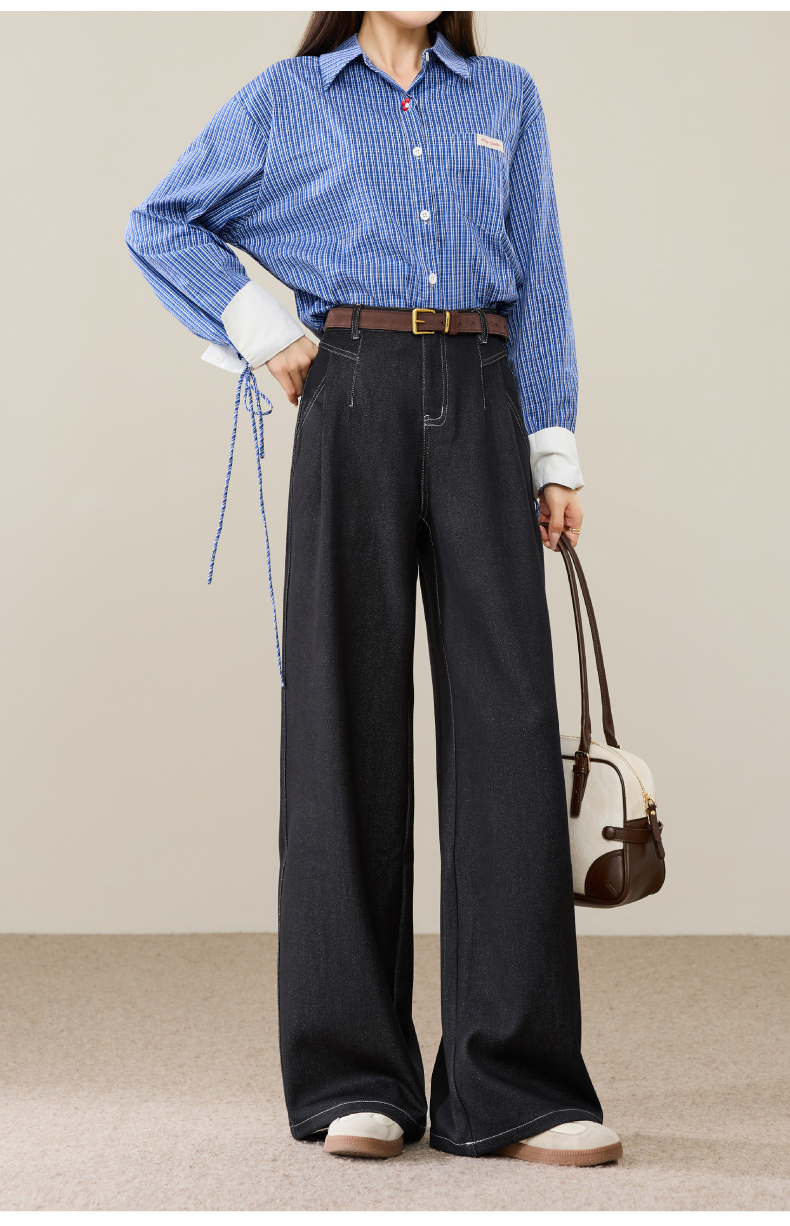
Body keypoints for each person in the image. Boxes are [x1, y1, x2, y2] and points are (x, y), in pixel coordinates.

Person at [126, 10, 622, 1166]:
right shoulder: (289, 96)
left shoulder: (503, 94)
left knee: (508, 727)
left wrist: (553, 449)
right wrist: (263, 329)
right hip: (350, 390)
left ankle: (515, 1082)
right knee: (341, 720)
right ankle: (354, 1072)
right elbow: (161, 222)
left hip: (484, 388)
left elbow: (540, 273)